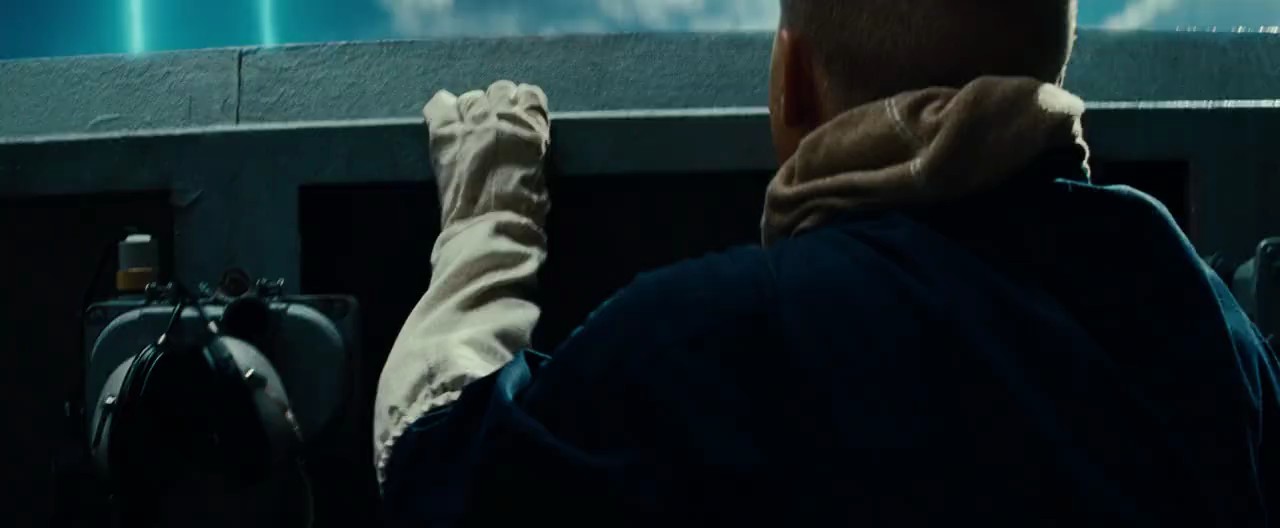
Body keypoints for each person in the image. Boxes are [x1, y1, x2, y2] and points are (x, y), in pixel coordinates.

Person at [374, 0, 1280, 525]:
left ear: (791, 82)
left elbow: (430, 464)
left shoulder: (714, 336)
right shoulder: (1209, 324)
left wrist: (488, 226)